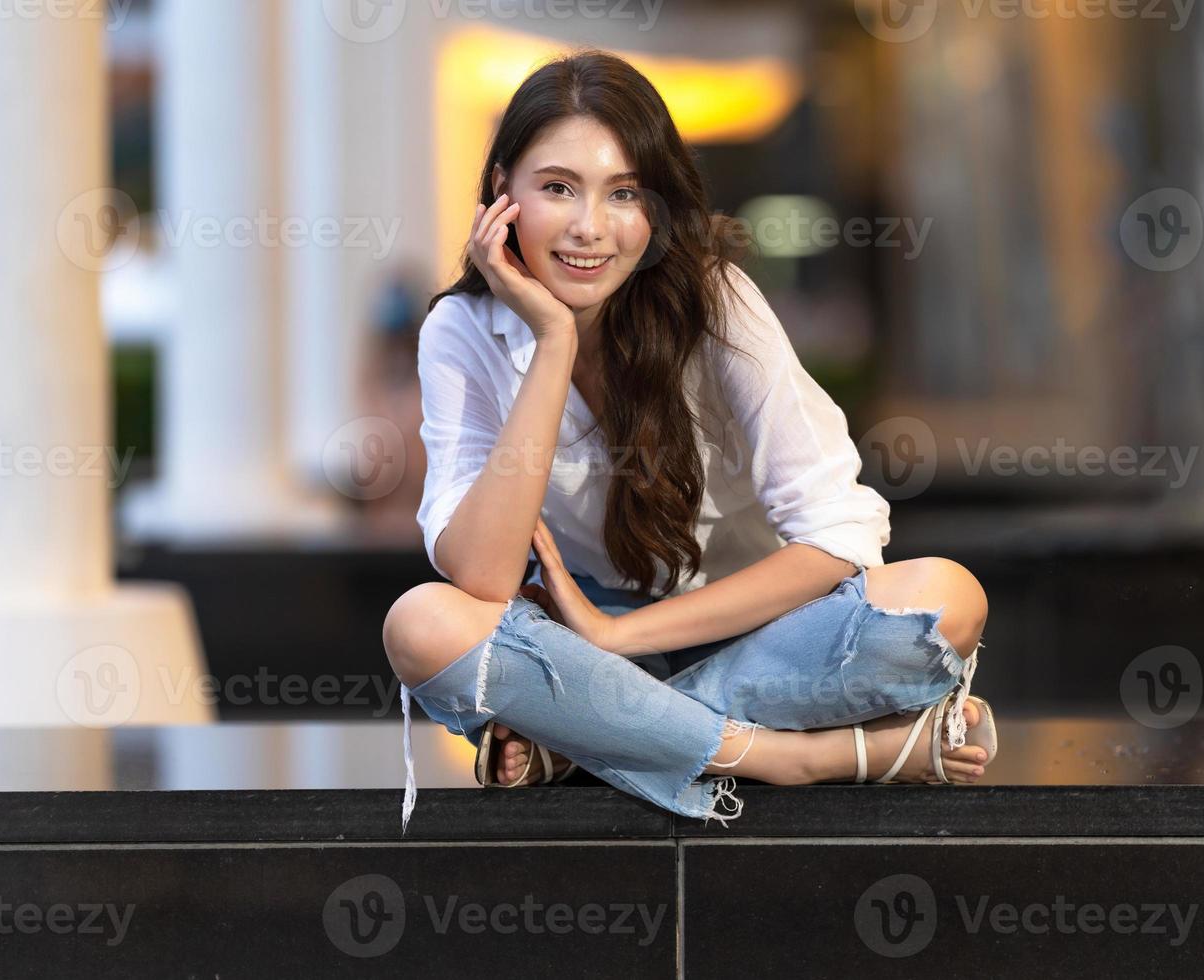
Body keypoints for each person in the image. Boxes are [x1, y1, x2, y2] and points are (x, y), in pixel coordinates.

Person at [383, 50, 994, 834]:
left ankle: (584, 739)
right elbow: (485, 575)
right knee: (422, 623)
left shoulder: (715, 301)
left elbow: (839, 534)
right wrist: (553, 344)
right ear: (504, 193)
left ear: (657, 207)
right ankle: (799, 757)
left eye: (624, 193)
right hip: (580, 645)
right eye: (558, 188)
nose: (589, 228)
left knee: (946, 599)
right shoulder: (460, 331)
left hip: (749, 635)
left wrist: (616, 639)